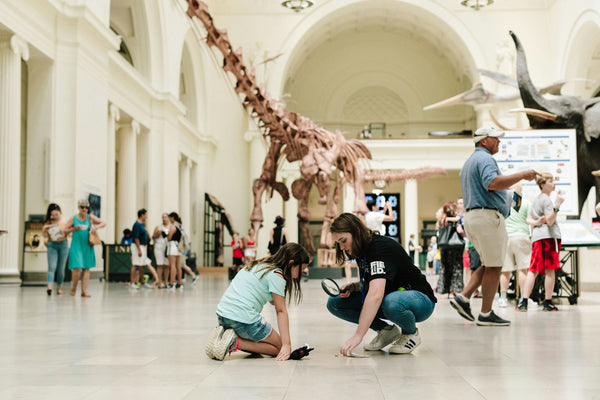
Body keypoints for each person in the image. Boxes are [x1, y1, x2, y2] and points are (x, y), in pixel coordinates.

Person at [449, 126, 539, 326]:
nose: (499, 141)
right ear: (483, 141)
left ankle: (463, 298)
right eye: (495, 138)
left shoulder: (470, 162)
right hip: (487, 217)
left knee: (489, 262)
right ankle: (486, 313)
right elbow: (492, 183)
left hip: (474, 217)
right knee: (496, 265)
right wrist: (522, 175)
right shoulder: (485, 159)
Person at [327, 213, 437, 355]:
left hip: (421, 300)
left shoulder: (379, 247)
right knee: (335, 302)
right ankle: (386, 331)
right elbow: (376, 284)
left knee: (390, 301)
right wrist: (356, 286)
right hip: (391, 298)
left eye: (343, 240)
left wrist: (358, 335)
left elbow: (376, 294)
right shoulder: (361, 251)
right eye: (338, 243)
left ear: (357, 231)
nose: (342, 247)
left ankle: (411, 333)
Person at [205, 243, 310, 361]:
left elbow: (272, 301)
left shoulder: (259, 265)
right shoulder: (277, 275)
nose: (302, 272)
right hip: (242, 320)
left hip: (223, 316)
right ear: (291, 263)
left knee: (265, 343)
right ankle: (235, 342)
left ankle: (222, 338)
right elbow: (281, 310)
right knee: (278, 348)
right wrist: (286, 345)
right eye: (301, 269)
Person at [517, 174, 564, 312]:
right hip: (549, 237)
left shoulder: (536, 200)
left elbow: (529, 219)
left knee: (533, 270)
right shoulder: (548, 201)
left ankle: (524, 301)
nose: (553, 183)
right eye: (550, 181)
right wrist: (557, 206)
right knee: (550, 269)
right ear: (543, 185)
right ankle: (548, 302)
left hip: (537, 237)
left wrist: (537, 222)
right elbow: (549, 221)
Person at [499, 185, 531, 308]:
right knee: (522, 269)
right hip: (522, 237)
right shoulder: (527, 203)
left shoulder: (503, 203)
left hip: (506, 238)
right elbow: (531, 220)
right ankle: (523, 298)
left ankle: (503, 297)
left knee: (505, 270)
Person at [65, 198, 106, 297]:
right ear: (78, 208)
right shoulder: (73, 218)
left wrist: (95, 227)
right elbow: (65, 230)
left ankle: (84, 290)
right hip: (76, 245)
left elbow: (103, 223)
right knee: (77, 268)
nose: (84, 209)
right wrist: (75, 228)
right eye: (82, 207)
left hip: (87, 245)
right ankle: (74, 287)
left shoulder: (90, 217)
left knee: (87, 268)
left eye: (86, 207)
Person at [42, 203, 75, 295]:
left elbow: (71, 234)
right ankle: (49, 286)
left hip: (63, 244)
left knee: (61, 268)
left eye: (57, 214)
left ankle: (59, 287)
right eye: (53, 215)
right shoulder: (48, 222)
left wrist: (64, 232)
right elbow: (44, 236)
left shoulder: (65, 221)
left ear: (60, 213)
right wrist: (45, 231)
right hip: (52, 244)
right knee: (51, 266)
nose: (55, 217)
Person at [435, 202, 464, 297]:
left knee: (445, 267)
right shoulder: (456, 220)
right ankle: (453, 291)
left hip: (444, 247)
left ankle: (445, 289)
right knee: (456, 267)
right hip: (455, 247)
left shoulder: (442, 221)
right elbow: (459, 229)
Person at [130, 209, 158, 289]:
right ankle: (133, 282)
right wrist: (139, 249)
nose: (146, 217)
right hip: (137, 246)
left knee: (142, 264)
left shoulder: (142, 225)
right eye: (145, 215)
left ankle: (142, 281)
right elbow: (136, 237)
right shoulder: (137, 225)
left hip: (143, 246)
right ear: (142, 215)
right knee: (135, 264)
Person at [152, 213, 171, 288]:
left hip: (167, 247)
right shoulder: (158, 227)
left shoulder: (170, 227)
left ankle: (166, 281)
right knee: (160, 264)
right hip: (159, 247)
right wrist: (157, 233)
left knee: (167, 265)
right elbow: (153, 237)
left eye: (165, 217)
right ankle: (159, 281)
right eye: (163, 217)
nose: (164, 219)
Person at [167, 212, 185, 290]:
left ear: (172, 217)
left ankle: (171, 283)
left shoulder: (173, 226)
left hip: (173, 246)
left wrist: (167, 234)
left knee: (172, 265)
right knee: (178, 266)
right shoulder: (180, 225)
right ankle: (179, 282)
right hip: (178, 246)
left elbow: (169, 238)